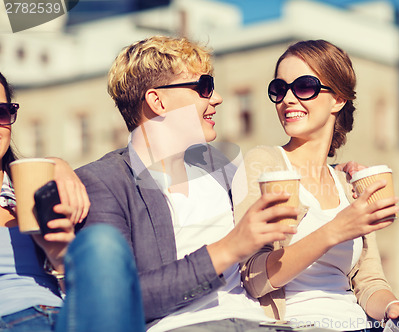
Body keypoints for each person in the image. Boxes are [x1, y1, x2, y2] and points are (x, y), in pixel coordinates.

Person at [75, 35, 300, 332]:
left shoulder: (226, 167)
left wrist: (340, 173)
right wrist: (229, 248)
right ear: (158, 101)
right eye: (204, 87)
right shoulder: (105, 181)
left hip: (264, 323)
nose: (216, 98)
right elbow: (121, 298)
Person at [231, 40, 399, 332]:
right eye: (279, 89)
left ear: (338, 99)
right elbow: (253, 277)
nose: (288, 100)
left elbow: (368, 280)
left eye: (304, 86)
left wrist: (392, 308)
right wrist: (333, 231)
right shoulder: (263, 164)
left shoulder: (347, 183)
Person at [0, 72, 144, 332]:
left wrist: (58, 259)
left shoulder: (33, 188)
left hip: (64, 318)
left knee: (103, 241)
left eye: (0, 112)